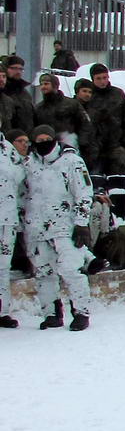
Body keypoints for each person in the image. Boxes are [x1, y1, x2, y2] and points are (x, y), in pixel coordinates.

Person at [23, 124, 94, 330]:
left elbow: (84, 192)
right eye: (39, 140)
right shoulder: (30, 164)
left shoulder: (72, 161)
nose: (44, 143)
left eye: (47, 139)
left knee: (71, 270)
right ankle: (51, 313)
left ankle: (81, 312)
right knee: (44, 272)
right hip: (37, 227)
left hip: (65, 226)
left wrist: (81, 223)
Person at [83, 63, 125, 176]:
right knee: (95, 179)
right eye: (98, 78)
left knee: (118, 180)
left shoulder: (118, 94)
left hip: (115, 146)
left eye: (104, 77)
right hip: (94, 148)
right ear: (93, 79)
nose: (102, 81)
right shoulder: (89, 95)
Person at [0, 127, 23, 328]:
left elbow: (21, 176)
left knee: (3, 268)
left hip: (6, 218)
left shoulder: (8, 149)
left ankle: (2, 311)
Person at [34, 72, 90, 152]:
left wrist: (82, 143)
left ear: (55, 85)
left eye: (46, 84)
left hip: (70, 145)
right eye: (41, 84)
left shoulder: (71, 104)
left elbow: (85, 124)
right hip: (47, 148)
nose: (43, 87)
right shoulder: (39, 108)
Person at [0, 56, 36, 134]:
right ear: (5, 68)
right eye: (14, 68)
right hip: (7, 140)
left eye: (21, 69)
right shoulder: (3, 92)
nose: (18, 71)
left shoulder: (24, 93)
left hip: (25, 140)